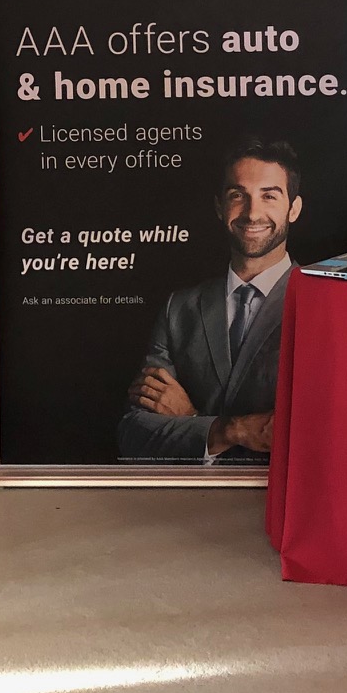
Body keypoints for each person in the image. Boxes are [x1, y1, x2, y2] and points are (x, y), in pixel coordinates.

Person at [118, 138, 301, 463]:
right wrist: (232, 430)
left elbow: (314, 442)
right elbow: (135, 435)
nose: (252, 212)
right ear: (219, 207)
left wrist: (190, 420)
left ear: (294, 208)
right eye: (237, 195)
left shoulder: (325, 305)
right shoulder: (180, 309)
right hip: (187, 509)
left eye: (269, 196)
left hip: (280, 510)